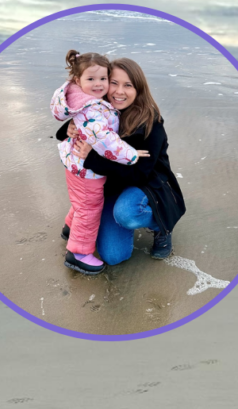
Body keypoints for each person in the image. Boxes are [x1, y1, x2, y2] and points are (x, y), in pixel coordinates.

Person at [56, 57, 185, 265]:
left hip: (145, 184)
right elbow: (82, 126)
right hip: (112, 186)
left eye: (128, 85)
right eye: (113, 83)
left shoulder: (150, 121)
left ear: (139, 89)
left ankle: (161, 227)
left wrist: (92, 158)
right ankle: (83, 223)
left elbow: (139, 173)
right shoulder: (99, 108)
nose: (119, 91)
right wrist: (68, 127)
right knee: (114, 256)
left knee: (127, 213)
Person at [51, 50, 146, 275]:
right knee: (89, 207)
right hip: (87, 171)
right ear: (78, 80)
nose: (99, 84)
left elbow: (88, 128)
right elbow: (107, 141)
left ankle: (69, 228)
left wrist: (73, 131)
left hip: (76, 165)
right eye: (92, 79)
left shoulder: (81, 100)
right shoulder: (94, 107)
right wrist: (131, 155)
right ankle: (78, 254)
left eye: (103, 79)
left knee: (82, 203)